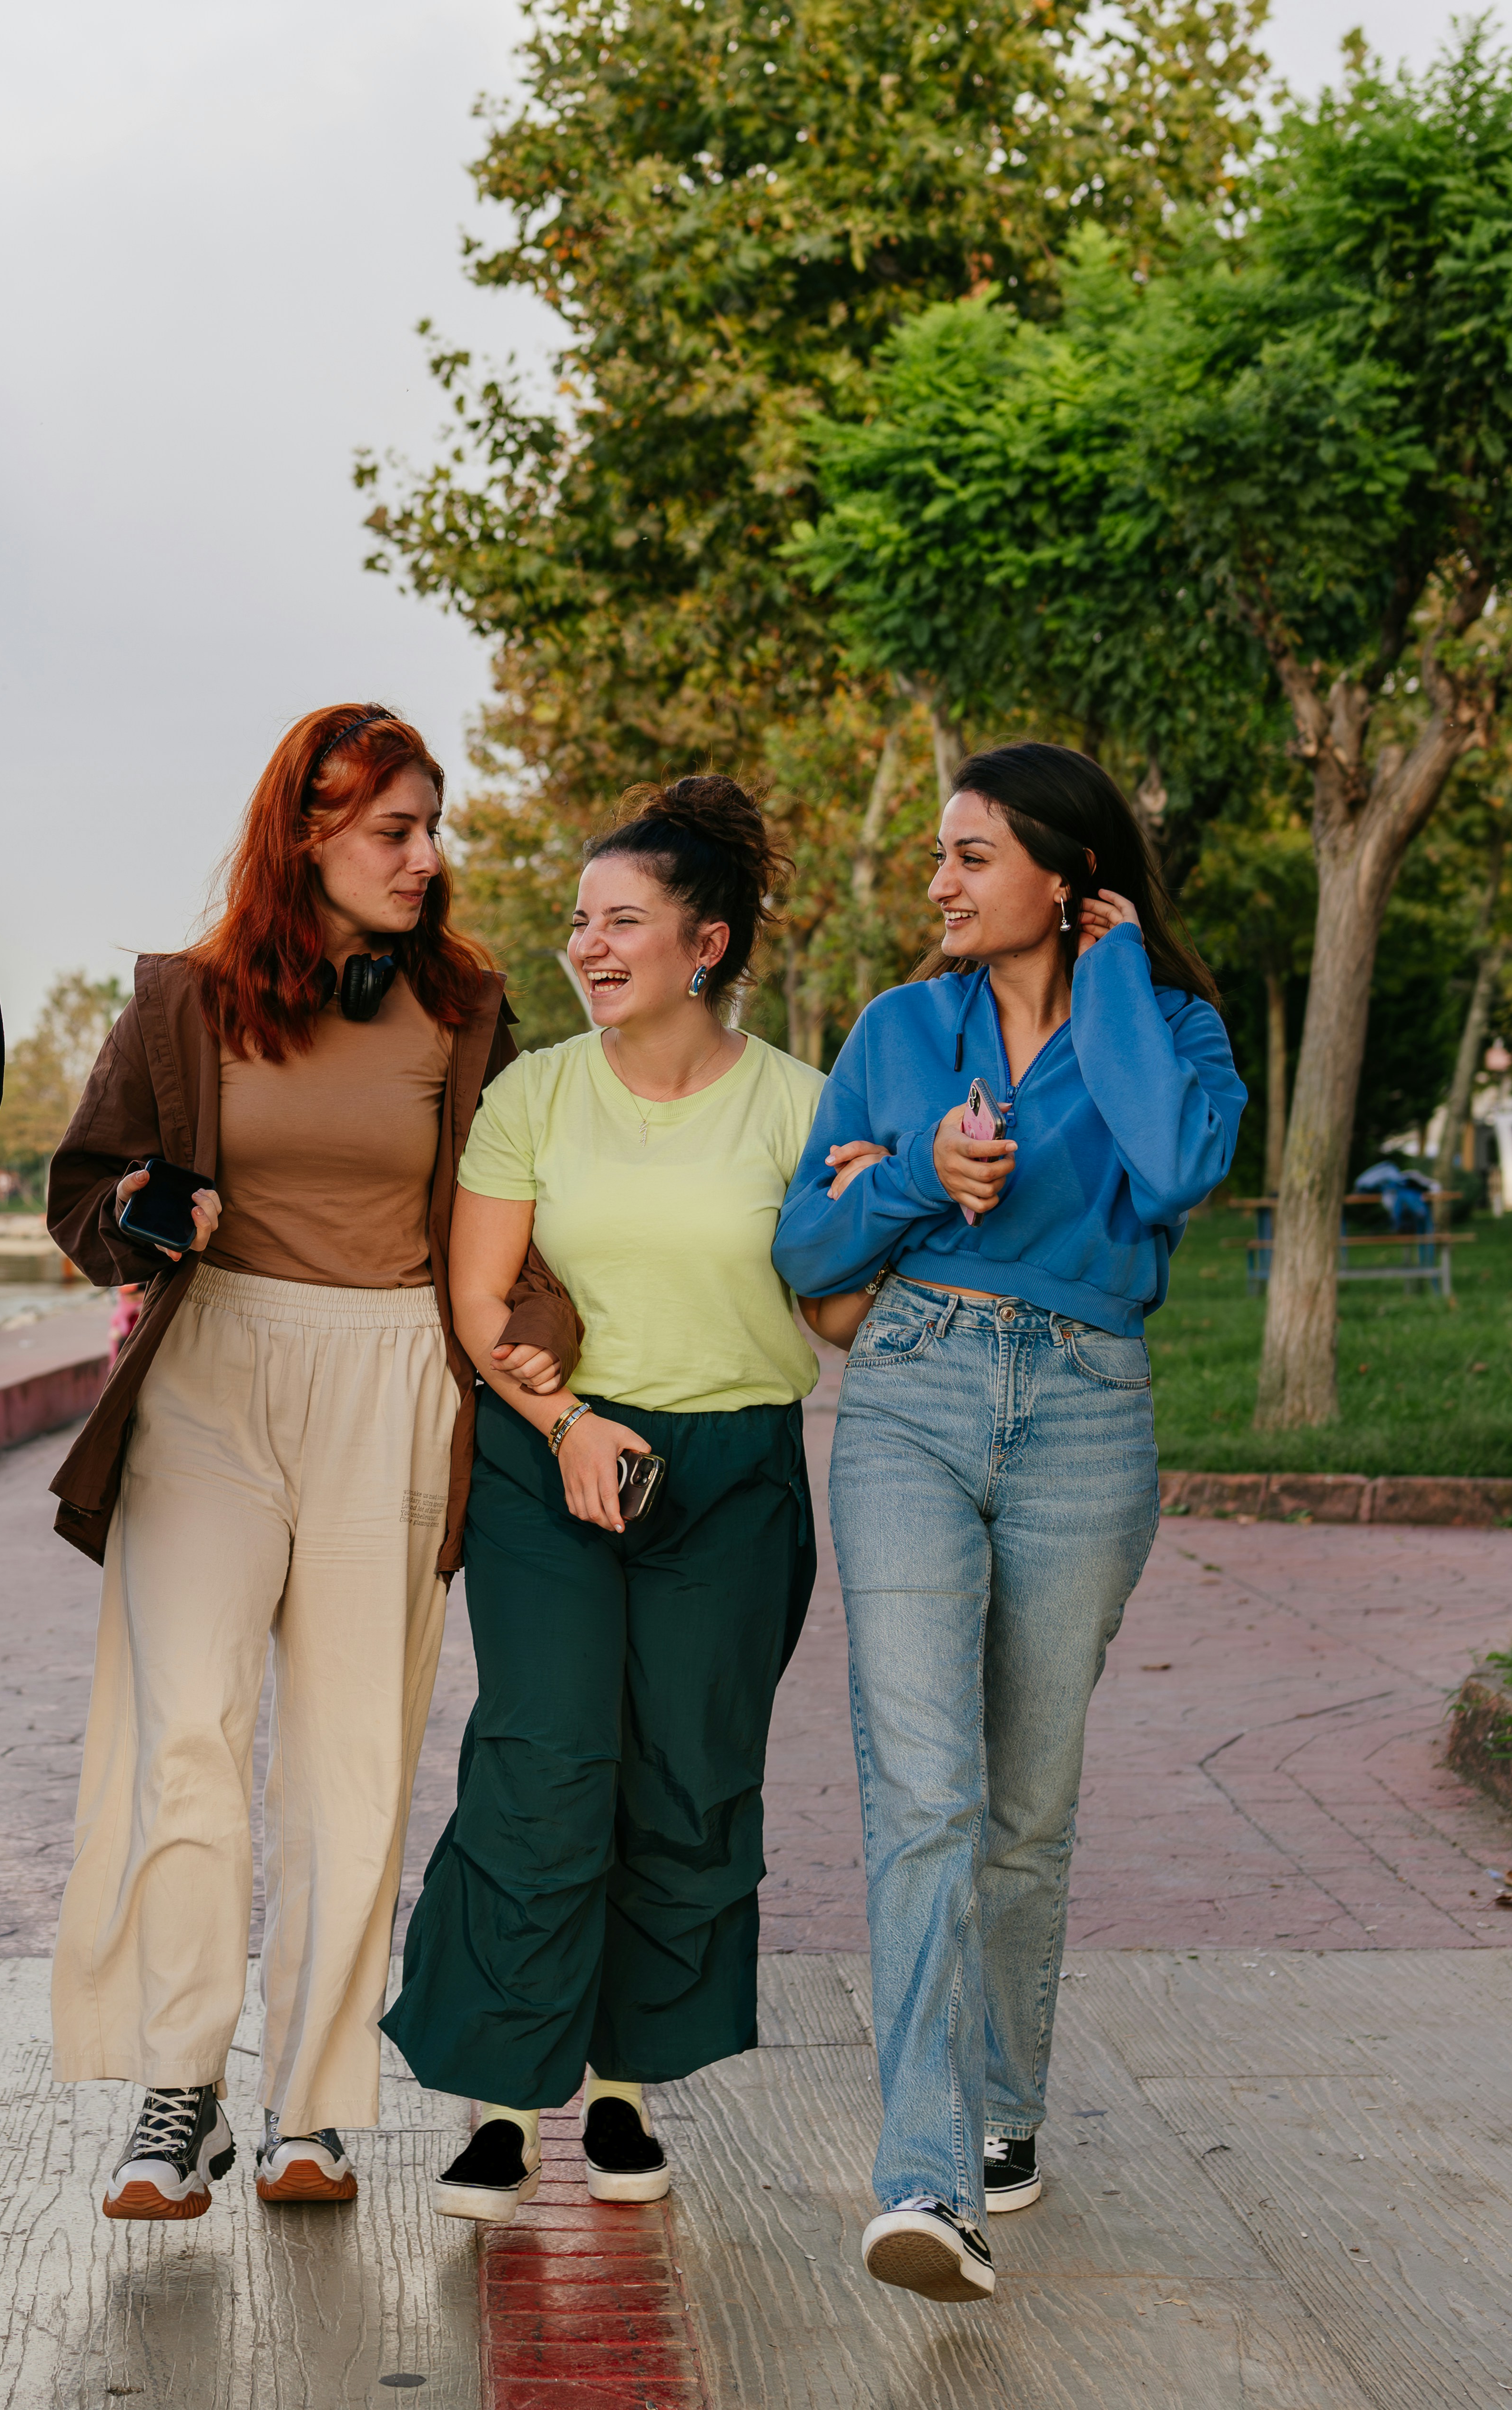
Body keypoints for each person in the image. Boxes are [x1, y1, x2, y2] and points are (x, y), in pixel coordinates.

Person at [39, 705, 578, 2217]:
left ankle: (313, 2105)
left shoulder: (465, 1012)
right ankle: (179, 2085)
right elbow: (86, 1192)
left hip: (392, 1378)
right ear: (306, 834)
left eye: (430, 827)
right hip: (209, 1380)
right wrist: (141, 1208)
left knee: (351, 1756)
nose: (425, 857)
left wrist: (540, 1339)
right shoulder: (181, 1000)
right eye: (392, 829)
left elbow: (517, 1214)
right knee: (187, 1736)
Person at [773, 741, 1243, 2304]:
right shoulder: (900, 1030)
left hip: (1088, 1413)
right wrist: (914, 1170)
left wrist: (1109, 982)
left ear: (1065, 873)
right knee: (923, 1791)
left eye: (970, 855)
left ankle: (1000, 2109)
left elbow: (1170, 1167)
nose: (939, 882)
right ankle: (922, 2172)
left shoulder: (1169, 1027)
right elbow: (806, 1245)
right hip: (910, 1392)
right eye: (938, 853)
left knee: (1024, 1807)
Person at [378, 776, 829, 2226]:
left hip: (735, 1472)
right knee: (545, 1762)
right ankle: (504, 2106)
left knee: (689, 1777)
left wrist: (902, 1197)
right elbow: (477, 1299)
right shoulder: (535, 1094)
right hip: (552, 1457)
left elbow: (833, 1307)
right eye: (583, 922)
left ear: (706, 945)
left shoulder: (800, 1104)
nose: (587, 945)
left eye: (622, 922)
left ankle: (626, 2089)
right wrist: (568, 1423)